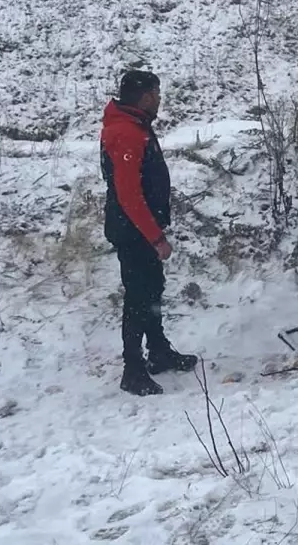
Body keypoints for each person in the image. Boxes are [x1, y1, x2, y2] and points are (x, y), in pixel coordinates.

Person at [100, 70, 198, 395]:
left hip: (141, 227)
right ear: (144, 97)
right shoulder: (126, 132)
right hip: (133, 231)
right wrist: (154, 237)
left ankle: (158, 351)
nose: (159, 100)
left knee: (152, 289)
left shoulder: (135, 125)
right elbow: (129, 195)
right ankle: (133, 369)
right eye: (157, 94)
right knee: (138, 297)